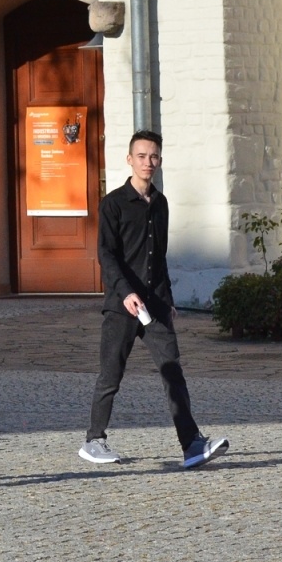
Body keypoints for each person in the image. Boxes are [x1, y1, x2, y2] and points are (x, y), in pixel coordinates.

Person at [80, 130, 229, 469]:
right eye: (142, 156)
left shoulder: (160, 204)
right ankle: (94, 440)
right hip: (123, 304)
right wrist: (126, 293)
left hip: (156, 304)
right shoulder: (113, 204)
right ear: (129, 159)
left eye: (154, 157)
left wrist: (168, 299)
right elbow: (107, 255)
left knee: (172, 371)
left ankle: (191, 445)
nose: (149, 162)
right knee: (111, 374)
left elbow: (158, 256)